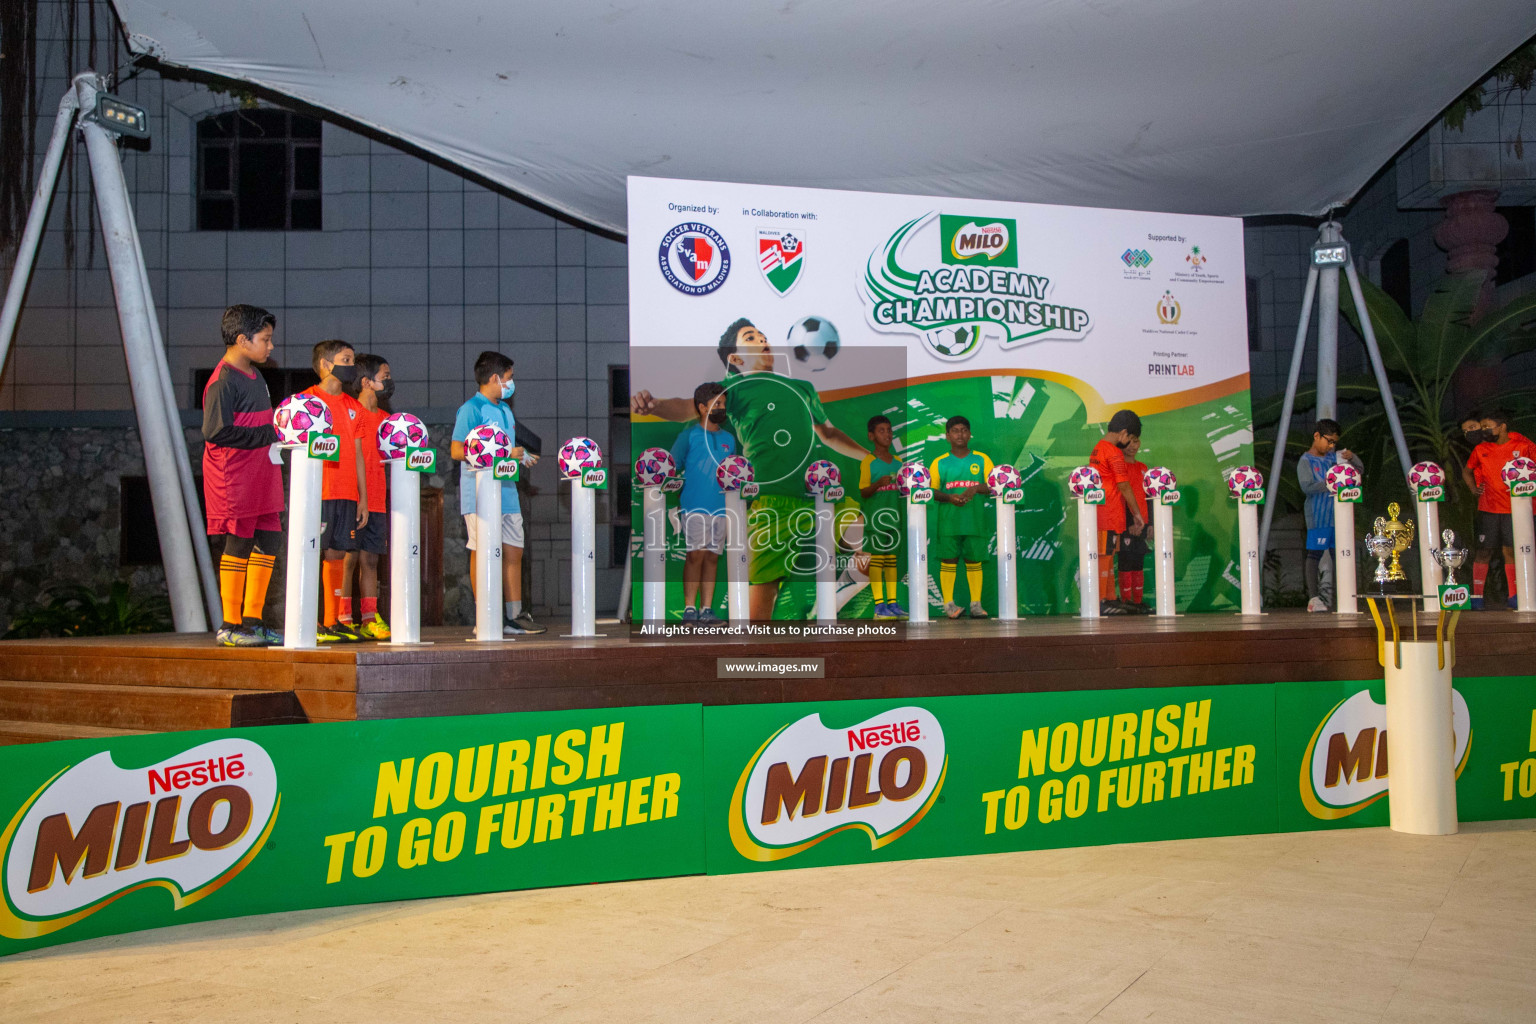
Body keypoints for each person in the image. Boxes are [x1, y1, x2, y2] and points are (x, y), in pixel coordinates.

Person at [631, 318, 870, 619]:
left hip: (813, 497)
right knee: (758, 614)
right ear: (737, 358)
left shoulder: (802, 388)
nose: (761, 338)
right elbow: (687, 407)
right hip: (766, 504)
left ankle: (839, 588)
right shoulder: (733, 388)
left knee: (856, 525)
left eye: (762, 334)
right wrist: (655, 405)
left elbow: (830, 433)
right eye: (750, 336)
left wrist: (869, 458)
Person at [202, 304, 284, 647]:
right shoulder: (223, 380)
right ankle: (230, 625)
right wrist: (267, 435)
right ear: (241, 339)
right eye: (265, 340)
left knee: (269, 540)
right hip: (232, 475)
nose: (270, 346)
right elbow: (215, 431)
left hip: (262, 471)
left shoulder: (255, 373)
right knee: (238, 542)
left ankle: (252, 621)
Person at [452, 351, 545, 634]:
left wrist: (521, 455)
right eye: (509, 377)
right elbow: (458, 450)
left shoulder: (505, 410)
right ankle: (486, 616)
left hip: (507, 491)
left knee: (514, 551)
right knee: (481, 550)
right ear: (495, 377)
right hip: (480, 495)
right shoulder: (471, 409)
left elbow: (504, 449)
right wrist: (507, 452)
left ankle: (515, 615)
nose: (511, 383)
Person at [302, 341, 369, 643]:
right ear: (326, 364)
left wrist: (362, 498)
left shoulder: (354, 407)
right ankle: (309, 621)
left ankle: (332, 621)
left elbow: (357, 456)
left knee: (338, 553)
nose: (352, 366)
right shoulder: (305, 402)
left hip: (346, 494)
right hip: (319, 493)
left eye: (353, 360)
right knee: (313, 553)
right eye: (346, 360)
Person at [669, 381, 736, 623]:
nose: (721, 408)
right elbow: (671, 466)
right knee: (695, 555)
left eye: (723, 404)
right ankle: (690, 609)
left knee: (712, 557)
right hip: (694, 506)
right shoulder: (688, 436)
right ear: (701, 407)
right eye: (716, 404)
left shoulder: (729, 439)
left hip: (722, 508)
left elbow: (734, 474)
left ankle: (707, 609)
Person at [1462, 409, 1534, 609]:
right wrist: (1474, 490)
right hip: (1489, 509)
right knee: (1484, 551)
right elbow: (1467, 471)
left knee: (1510, 551)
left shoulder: (1521, 446)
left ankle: (1514, 596)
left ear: (1502, 427)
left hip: (1514, 510)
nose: (1483, 430)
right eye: (1482, 426)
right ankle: (1477, 597)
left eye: (1487, 426)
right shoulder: (1481, 450)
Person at [345, 354, 393, 639]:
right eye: (384, 376)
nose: (389, 381)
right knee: (347, 558)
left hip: (377, 500)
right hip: (352, 499)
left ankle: (369, 617)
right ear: (366, 382)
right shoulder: (350, 413)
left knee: (371, 561)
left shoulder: (387, 421)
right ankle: (342, 617)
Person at [1296, 419, 1363, 612]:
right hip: (1318, 517)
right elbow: (1306, 487)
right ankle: (1313, 599)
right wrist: (1332, 483)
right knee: (1315, 554)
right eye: (1329, 441)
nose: (1332, 446)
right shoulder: (1305, 461)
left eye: (1335, 442)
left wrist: (1353, 458)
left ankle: (1345, 595)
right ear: (1316, 436)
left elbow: (1357, 473)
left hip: (1340, 519)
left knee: (1341, 556)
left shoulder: (1336, 457)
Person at [931, 415, 994, 619]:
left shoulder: (982, 459)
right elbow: (930, 491)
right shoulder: (939, 462)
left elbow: (995, 484)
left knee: (974, 561)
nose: (960, 434)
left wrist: (975, 488)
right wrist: (949, 497)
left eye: (964, 430)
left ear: (970, 434)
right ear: (947, 435)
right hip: (948, 522)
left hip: (974, 522)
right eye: (955, 430)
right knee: (948, 561)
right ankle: (949, 605)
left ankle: (976, 604)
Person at [1089, 410, 1147, 615]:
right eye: (1130, 439)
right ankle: (1100, 601)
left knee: (1109, 557)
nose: (1130, 443)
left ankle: (1111, 598)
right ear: (1123, 433)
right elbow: (1124, 486)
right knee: (1104, 558)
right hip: (1108, 514)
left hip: (1106, 513)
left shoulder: (1098, 448)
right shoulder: (1113, 452)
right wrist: (1138, 514)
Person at [859, 415, 907, 620]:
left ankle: (893, 603)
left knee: (891, 561)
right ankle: (879, 607)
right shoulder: (868, 461)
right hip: (876, 519)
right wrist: (878, 484)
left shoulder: (898, 461)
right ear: (871, 436)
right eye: (881, 430)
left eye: (889, 430)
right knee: (877, 560)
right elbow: (863, 491)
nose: (887, 434)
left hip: (895, 518)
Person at [1119, 434, 1152, 611]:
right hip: (1126, 525)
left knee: (1139, 562)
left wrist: (1150, 523)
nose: (1133, 445)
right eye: (1129, 441)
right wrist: (1130, 523)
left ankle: (1138, 602)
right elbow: (1121, 496)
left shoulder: (1143, 468)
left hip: (1142, 524)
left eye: (1136, 441)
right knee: (1126, 560)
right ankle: (1125, 603)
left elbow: (1149, 497)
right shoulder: (1119, 467)